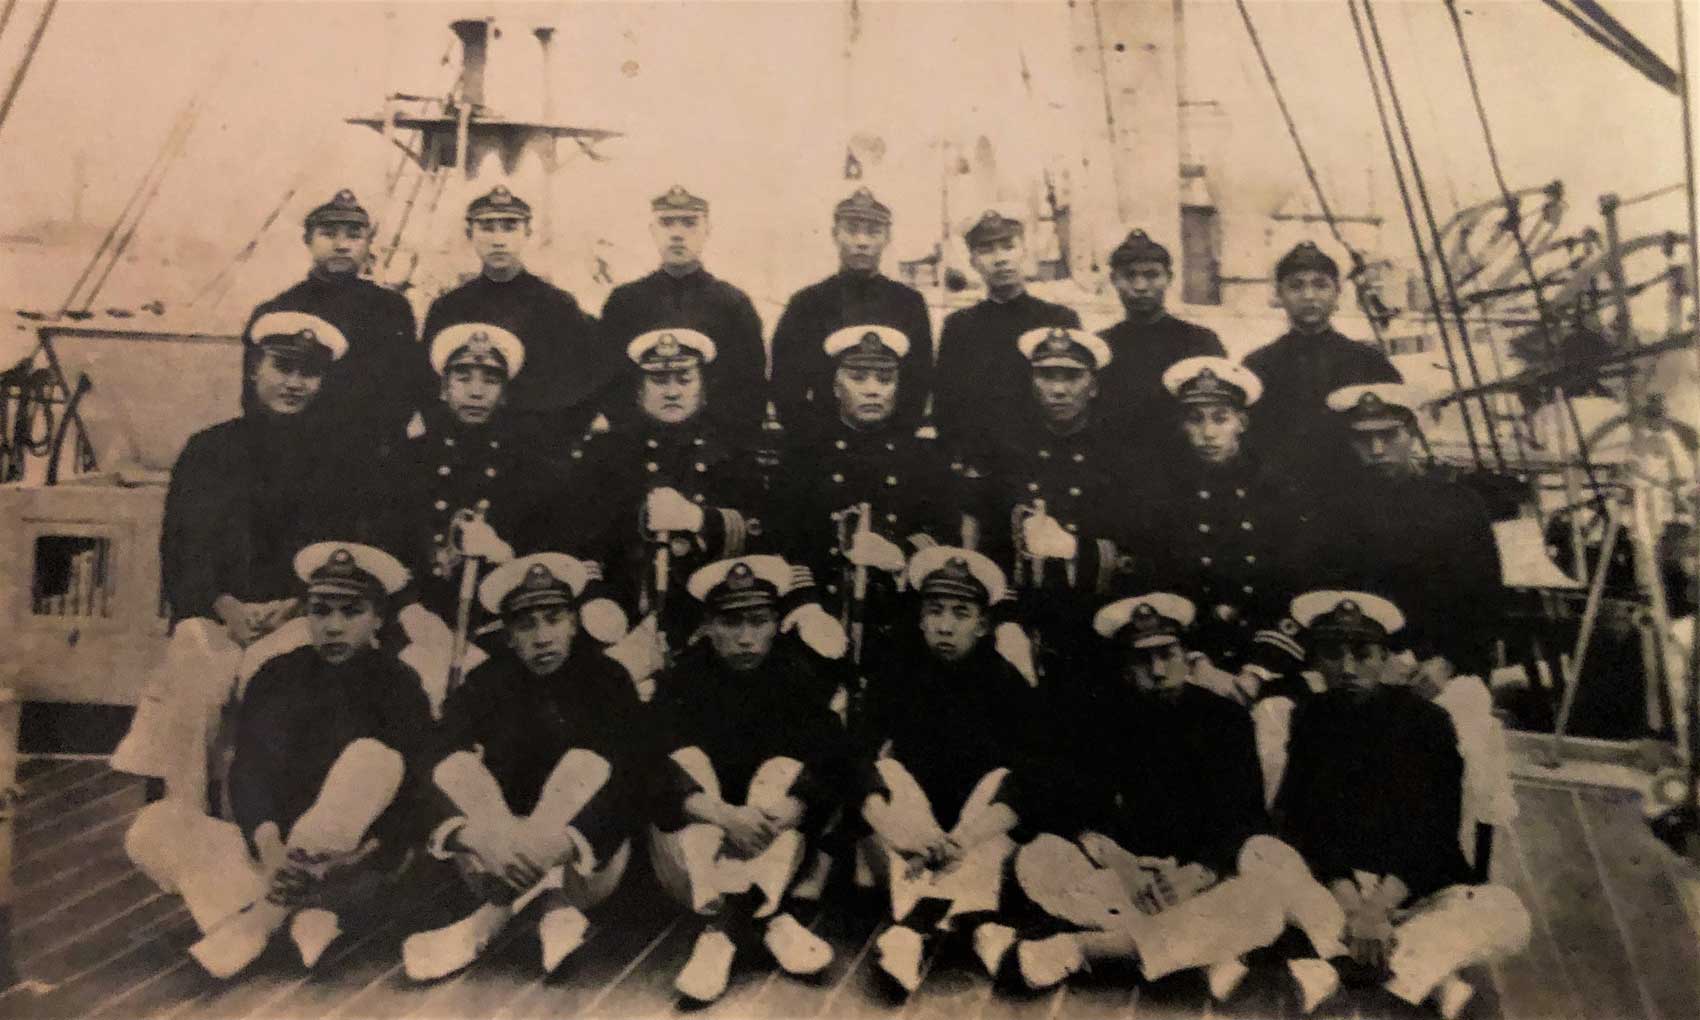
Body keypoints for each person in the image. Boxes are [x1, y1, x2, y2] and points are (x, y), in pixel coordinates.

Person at [1011, 593, 1347, 1002]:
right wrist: (1121, 863)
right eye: (1142, 659)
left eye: (1167, 653)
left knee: (1261, 899)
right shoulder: (1097, 719)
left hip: (1197, 883)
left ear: (1187, 655)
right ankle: (1200, 952)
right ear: (1124, 667)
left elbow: (1245, 820)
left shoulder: (1226, 721)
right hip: (1119, 879)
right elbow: (1067, 807)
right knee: (1038, 856)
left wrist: (1197, 873)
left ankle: (1086, 950)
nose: (1157, 669)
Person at [124, 543, 431, 980]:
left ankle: (258, 922)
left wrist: (345, 862)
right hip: (272, 859)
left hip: (350, 864)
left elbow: (411, 795)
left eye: (351, 612)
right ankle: (297, 918)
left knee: (374, 759)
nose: (334, 626)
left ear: (379, 618)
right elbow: (251, 772)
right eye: (321, 611)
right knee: (153, 826)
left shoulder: (398, 684)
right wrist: (270, 851)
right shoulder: (278, 675)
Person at [113, 314, 364, 806]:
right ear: (255, 369)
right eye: (283, 367)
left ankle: (263, 821)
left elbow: (345, 553)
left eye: (308, 372)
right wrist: (225, 605)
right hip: (215, 614)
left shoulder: (339, 461)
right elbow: (182, 550)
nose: (294, 383)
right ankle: (182, 813)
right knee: (194, 664)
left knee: (286, 681)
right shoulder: (210, 450)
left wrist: (297, 605)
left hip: (298, 616)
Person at [1271, 591, 1531, 1018]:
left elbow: (1436, 833)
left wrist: (1379, 908)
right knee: (1265, 858)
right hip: (1335, 893)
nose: (1348, 668)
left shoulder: (1427, 722)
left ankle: (1346, 970)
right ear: (1317, 661)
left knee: (1507, 913)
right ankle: (1418, 974)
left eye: (1363, 653)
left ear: (1385, 657)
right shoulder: (1309, 717)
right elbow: (1299, 819)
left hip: (1409, 892)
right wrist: (1354, 904)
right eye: (1333, 655)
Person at [401, 554, 648, 981]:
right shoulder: (487, 682)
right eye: (526, 625)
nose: (542, 637)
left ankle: (488, 923)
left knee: (583, 764)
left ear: (574, 622)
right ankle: (553, 912)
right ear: (510, 636)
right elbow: (430, 761)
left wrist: (562, 844)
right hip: (494, 860)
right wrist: (474, 835)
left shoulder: (608, 681)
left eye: (553, 619)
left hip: (584, 861)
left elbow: (632, 784)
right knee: (455, 764)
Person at [648, 555, 846, 1003]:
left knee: (782, 771)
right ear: (708, 626)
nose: (745, 638)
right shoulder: (683, 680)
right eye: (731, 623)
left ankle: (721, 936)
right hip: (694, 859)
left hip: (769, 843)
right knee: (687, 759)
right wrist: (722, 815)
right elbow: (649, 769)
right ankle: (764, 921)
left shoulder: (795, 675)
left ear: (777, 623)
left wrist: (798, 804)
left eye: (758, 622)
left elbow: (833, 756)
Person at [855, 548, 1036, 994]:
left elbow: (1037, 773)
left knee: (1000, 783)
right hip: (914, 831)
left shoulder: (1006, 682)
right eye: (934, 611)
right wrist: (898, 830)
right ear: (920, 619)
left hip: (977, 833)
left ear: (982, 623)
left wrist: (965, 839)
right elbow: (852, 752)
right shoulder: (896, 673)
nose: (945, 625)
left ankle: (910, 931)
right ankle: (980, 923)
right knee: (888, 771)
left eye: (961, 612)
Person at [772, 324, 965, 676]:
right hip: (819, 616)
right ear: (835, 385)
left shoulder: (923, 457)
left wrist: (901, 556)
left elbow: (948, 536)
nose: (873, 390)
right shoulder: (805, 457)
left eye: (885, 380)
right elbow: (780, 539)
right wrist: (804, 607)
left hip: (901, 619)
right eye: (858, 378)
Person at [1131, 357, 1318, 668]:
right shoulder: (1163, 492)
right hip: (1193, 655)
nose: (1208, 433)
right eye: (1196, 419)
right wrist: (1197, 659)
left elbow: (1295, 584)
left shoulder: (1275, 488)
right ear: (1182, 425)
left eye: (1220, 419)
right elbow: (1160, 586)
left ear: (1241, 423)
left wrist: (1259, 669)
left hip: (1268, 653)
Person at [975, 326, 1134, 677]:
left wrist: (1076, 549)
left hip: (1096, 623)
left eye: (1072, 377)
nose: (1059, 390)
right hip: (1021, 620)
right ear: (1032, 382)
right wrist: (1004, 621)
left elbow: (1140, 555)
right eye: (1047, 376)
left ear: (1093, 385)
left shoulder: (1121, 455)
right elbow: (991, 545)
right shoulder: (1008, 448)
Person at [1322, 382, 1504, 678]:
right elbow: (1325, 596)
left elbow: (1485, 603)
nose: (1377, 449)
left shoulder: (1458, 504)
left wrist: (1449, 661)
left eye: (1389, 435)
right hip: (1358, 668)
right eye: (1363, 438)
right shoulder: (1334, 511)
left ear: (1414, 435)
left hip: (1442, 669)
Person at [421, 185, 620, 448]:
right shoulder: (448, 308)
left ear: (528, 233)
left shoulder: (557, 306)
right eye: (487, 227)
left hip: (535, 453)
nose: (498, 239)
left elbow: (587, 386)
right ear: (470, 234)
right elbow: (428, 386)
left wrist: (559, 442)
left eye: (510, 227)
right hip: (466, 451)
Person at [240, 190, 425, 450]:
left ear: (367, 243)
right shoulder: (278, 311)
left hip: (369, 457)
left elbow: (404, 394)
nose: (342, 245)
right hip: (295, 453)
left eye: (354, 235)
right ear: (308, 240)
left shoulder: (392, 310)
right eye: (328, 234)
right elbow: (256, 398)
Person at [599, 186, 767, 435]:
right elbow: (610, 383)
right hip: (640, 446)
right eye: (667, 223)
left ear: (707, 231)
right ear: (653, 231)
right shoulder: (624, 302)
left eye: (689, 224)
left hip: (712, 449)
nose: (677, 234)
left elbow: (749, 388)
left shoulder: (732, 303)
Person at [769, 188, 934, 431]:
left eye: (873, 232)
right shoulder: (807, 303)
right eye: (852, 230)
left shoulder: (909, 303)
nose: (862, 242)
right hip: (824, 449)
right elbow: (786, 390)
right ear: (835, 234)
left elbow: (917, 385)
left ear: (887, 238)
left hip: (889, 449)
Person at [1242, 242, 1400, 478]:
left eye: (1320, 285)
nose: (1309, 296)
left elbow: (1396, 433)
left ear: (1337, 292)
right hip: (1281, 495)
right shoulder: (1257, 366)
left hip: (1354, 489)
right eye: (1296, 286)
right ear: (1279, 294)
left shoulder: (1368, 362)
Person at [933, 211, 1081, 452]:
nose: (1000, 258)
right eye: (987, 250)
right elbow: (946, 408)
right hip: (981, 464)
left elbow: (1076, 401)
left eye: (1008, 246)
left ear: (1024, 251)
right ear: (972, 261)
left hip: (1041, 457)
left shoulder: (1058, 320)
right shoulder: (959, 327)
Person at [1094, 229, 1225, 449]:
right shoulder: (1100, 346)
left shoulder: (1200, 342)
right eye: (1129, 275)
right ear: (1114, 280)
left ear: (1169, 278)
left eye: (1152, 275)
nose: (1140, 286)